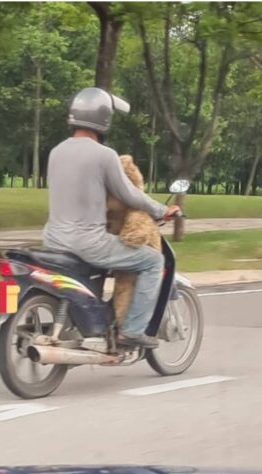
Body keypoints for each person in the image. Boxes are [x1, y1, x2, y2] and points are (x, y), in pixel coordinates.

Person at [42, 87, 180, 349]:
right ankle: (130, 332)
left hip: (53, 239)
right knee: (152, 261)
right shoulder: (104, 155)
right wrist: (161, 210)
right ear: (103, 119)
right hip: (88, 243)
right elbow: (129, 195)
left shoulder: (56, 151)